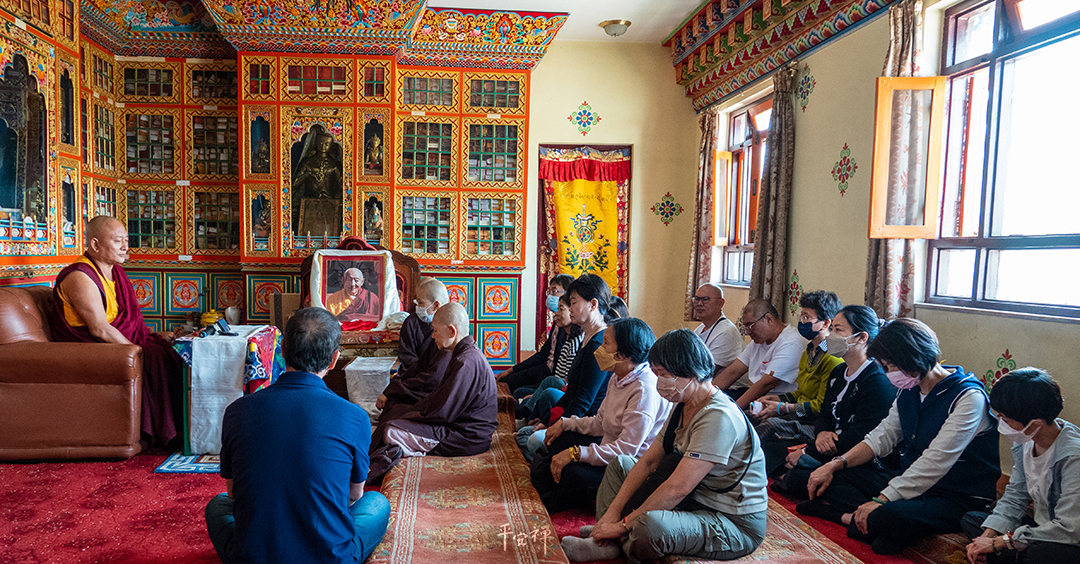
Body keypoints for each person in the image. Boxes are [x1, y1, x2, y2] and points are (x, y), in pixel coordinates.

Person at [561, 329, 767, 562]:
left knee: (652, 525)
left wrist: (622, 525)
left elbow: (678, 488)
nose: (659, 382)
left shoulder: (718, 417)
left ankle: (616, 539)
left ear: (691, 371)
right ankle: (606, 538)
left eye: (663, 374)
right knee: (621, 464)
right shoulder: (683, 403)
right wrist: (613, 513)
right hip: (694, 501)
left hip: (730, 520)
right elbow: (648, 462)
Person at [205, 307, 390, 564]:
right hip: (331, 559)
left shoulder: (237, 411)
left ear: (282, 350)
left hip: (252, 557)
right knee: (377, 503)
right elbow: (354, 496)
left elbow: (234, 493)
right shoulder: (354, 416)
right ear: (334, 359)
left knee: (217, 506)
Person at [804, 318, 1000, 555]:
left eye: (889, 366)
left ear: (912, 360)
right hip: (911, 481)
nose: (887, 374)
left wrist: (881, 500)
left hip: (954, 494)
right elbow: (881, 436)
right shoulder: (910, 389)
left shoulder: (968, 397)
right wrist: (836, 464)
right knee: (833, 479)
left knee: (887, 515)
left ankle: (848, 518)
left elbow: (936, 460)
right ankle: (877, 525)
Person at [50, 215, 184, 445]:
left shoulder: (113, 272)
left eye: (126, 240)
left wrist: (149, 337)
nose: (125, 247)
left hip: (109, 344)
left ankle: (178, 427)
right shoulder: (80, 276)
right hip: (91, 349)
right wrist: (136, 351)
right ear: (95, 244)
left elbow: (126, 321)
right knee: (153, 356)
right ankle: (164, 431)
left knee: (169, 349)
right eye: (118, 240)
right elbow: (99, 329)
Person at [531, 318, 672, 513]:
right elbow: (600, 422)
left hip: (628, 466)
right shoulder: (618, 376)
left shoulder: (644, 390)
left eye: (606, 343)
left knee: (572, 473)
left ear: (624, 354)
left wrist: (576, 453)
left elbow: (626, 451)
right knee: (560, 439)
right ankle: (548, 490)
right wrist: (565, 423)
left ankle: (549, 502)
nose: (600, 348)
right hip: (608, 450)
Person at [774, 305, 898, 497]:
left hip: (853, 452)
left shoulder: (876, 380)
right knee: (773, 447)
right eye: (832, 329)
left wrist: (809, 450)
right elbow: (824, 412)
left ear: (861, 337)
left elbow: (861, 433)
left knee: (802, 476)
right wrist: (822, 432)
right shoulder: (838, 371)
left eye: (838, 330)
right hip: (825, 441)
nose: (831, 336)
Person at [367, 302, 498, 482]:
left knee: (391, 430)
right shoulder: (463, 354)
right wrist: (408, 411)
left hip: (465, 437)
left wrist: (409, 414)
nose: (433, 336)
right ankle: (392, 452)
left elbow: (442, 412)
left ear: (452, 331)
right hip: (458, 426)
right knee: (397, 414)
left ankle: (365, 470)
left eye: (435, 331)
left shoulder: (466, 362)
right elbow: (440, 400)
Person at [961, 368, 1080, 564]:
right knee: (973, 520)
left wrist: (1000, 542)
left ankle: (1010, 555)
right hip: (1041, 529)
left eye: (1005, 419)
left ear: (1035, 424)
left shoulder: (1073, 458)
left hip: (1067, 537)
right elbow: (1015, 496)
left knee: (1040, 554)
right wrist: (987, 538)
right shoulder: (1026, 440)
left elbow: (1069, 529)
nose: (1001, 422)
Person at [516, 274, 613, 461]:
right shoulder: (588, 339)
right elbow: (571, 392)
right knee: (528, 433)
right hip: (575, 418)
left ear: (593, 305)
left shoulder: (598, 344)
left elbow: (584, 401)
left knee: (530, 439)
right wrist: (548, 421)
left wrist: (558, 426)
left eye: (574, 302)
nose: (571, 307)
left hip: (588, 426)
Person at [755, 291, 844, 475]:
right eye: (801, 316)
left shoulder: (832, 359)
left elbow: (820, 407)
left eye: (807, 317)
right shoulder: (808, 351)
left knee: (769, 426)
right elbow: (801, 392)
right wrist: (778, 398)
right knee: (752, 416)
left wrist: (783, 408)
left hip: (813, 423)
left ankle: (750, 469)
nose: (802, 322)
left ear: (825, 323)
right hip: (798, 416)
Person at [713, 299, 806, 410]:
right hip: (757, 400)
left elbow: (766, 384)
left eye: (750, 325)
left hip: (781, 405)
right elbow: (733, 371)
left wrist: (733, 411)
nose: (748, 332)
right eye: (745, 327)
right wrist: (706, 396)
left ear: (768, 319)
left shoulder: (791, 342)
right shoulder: (757, 343)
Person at [496, 274, 575, 393]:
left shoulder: (571, 333)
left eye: (554, 291)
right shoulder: (557, 322)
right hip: (546, 368)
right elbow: (543, 353)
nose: (550, 296)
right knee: (507, 380)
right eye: (549, 291)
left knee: (519, 391)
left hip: (553, 377)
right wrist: (512, 369)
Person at [514, 292, 582, 420]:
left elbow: (567, 381)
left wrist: (538, 395)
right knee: (521, 392)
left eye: (561, 309)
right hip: (557, 385)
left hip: (562, 389)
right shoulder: (566, 338)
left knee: (548, 384)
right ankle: (525, 412)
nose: (556, 314)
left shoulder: (576, 342)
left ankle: (526, 415)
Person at [394, 277, 448, 375]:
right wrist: (423, 369)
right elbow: (406, 355)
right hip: (416, 372)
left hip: (440, 374)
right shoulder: (411, 322)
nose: (417, 306)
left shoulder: (449, 323)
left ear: (436, 305)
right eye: (417, 302)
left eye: (421, 303)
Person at [690, 283, 743, 375]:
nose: (699, 304)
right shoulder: (699, 329)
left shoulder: (726, 332)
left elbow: (707, 371)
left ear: (720, 303)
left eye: (705, 299)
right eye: (697, 299)